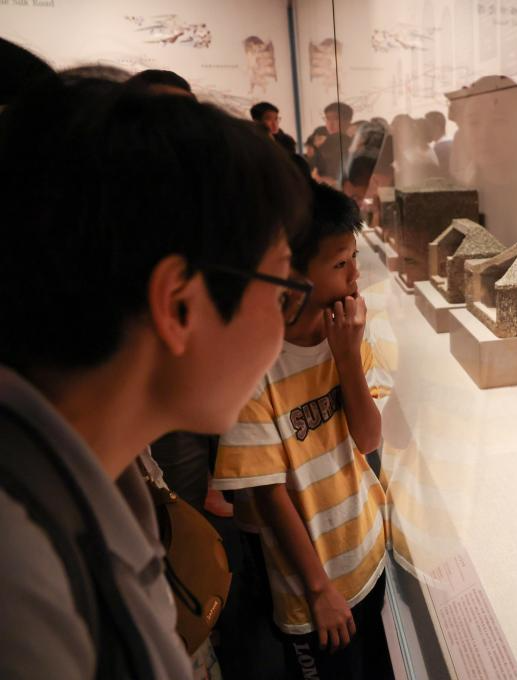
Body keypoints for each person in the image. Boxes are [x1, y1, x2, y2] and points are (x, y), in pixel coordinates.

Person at [0, 67, 309, 679]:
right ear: (178, 305)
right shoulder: (24, 591)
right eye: (280, 289)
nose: (284, 325)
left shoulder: (93, 475)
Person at [212, 183, 393, 680]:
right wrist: (318, 590)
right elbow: (269, 494)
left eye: (354, 258)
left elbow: (369, 440)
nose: (355, 275)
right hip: (313, 588)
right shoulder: (257, 365)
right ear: (292, 273)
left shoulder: (348, 334)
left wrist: (347, 357)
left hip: (366, 551)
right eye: (340, 264)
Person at [312, 101, 353, 185]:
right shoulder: (323, 144)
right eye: (327, 119)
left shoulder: (351, 146)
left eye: (336, 119)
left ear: (348, 121)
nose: (330, 123)